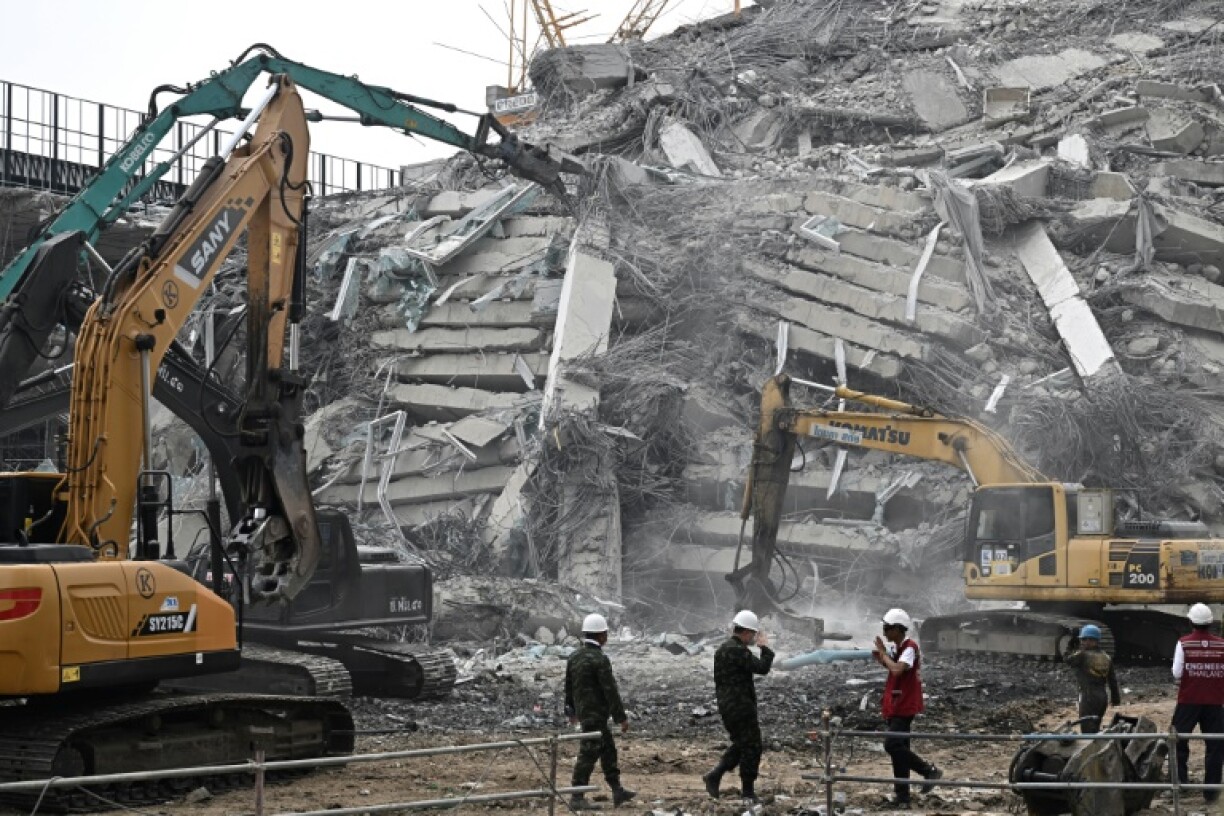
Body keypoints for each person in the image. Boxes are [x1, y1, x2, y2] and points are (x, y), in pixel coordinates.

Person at [564, 613, 635, 810]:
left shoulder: (574, 657)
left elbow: (568, 686)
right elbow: (610, 690)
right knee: (588, 753)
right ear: (601, 636)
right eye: (605, 633)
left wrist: (570, 710)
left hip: (584, 712)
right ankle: (576, 797)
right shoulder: (600, 659)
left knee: (608, 751)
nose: (607, 636)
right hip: (596, 715)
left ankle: (617, 790)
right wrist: (621, 717)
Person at [704, 609, 774, 805]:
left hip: (729, 706)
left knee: (743, 744)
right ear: (746, 632)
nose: (753, 638)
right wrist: (765, 649)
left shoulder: (724, 649)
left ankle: (715, 775)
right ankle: (748, 792)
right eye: (753, 634)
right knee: (752, 746)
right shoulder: (737, 650)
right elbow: (762, 668)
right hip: (740, 706)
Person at [874, 608, 941, 810]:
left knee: (892, 745)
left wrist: (884, 656)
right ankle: (902, 797)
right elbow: (895, 669)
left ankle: (928, 771)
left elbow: (897, 669)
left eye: (887, 628)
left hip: (904, 706)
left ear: (897, 629)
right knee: (899, 750)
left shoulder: (910, 647)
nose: (884, 632)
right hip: (897, 705)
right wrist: (884, 658)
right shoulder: (900, 648)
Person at [1172, 603, 1224, 803]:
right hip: (1215, 702)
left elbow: (1177, 672)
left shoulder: (1184, 643)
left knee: (1178, 740)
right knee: (1215, 746)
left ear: (1191, 621)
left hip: (1189, 701)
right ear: (1210, 623)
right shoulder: (1221, 645)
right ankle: (1211, 793)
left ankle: (1180, 784)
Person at [1064, 624, 1121, 734]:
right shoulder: (1106, 657)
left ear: (1092, 640)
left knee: (1087, 731)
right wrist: (1115, 699)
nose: (1083, 642)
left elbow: (1067, 659)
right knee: (1095, 728)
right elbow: (1112, 681)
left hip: (1088, 697)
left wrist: (1071, 643)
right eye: (1083, 640)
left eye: (1085, 639)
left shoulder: (1083, 655)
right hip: (1102, 698)